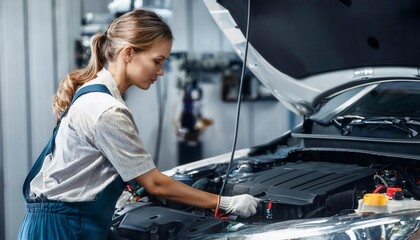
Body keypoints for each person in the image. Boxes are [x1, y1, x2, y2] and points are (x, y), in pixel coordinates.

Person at [18, 8, 258, 240]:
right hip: (63, 229)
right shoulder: (107, 110)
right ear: (129, 53)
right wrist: (225, 203)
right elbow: (155, 184)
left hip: (65, 223)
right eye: (157, 61)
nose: (161, 72)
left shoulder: (92, 94)